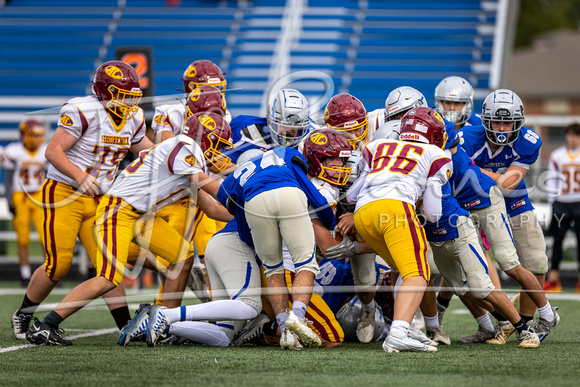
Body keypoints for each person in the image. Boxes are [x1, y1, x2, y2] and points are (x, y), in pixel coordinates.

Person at [25, 111, 234, 346]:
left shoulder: (188, 157)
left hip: (139, 215)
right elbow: (216, 190)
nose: (219, 151)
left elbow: (213, 210)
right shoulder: (185, 146)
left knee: (182, 257)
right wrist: (244, 195)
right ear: (204, 137)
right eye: (218, 144)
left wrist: (245, 213)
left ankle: (163, 323)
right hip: (118, 211)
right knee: (108, 278)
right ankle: (46, 325)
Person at [11, 60, 152, 341]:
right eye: (121, 94)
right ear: (103, 91)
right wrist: (81, 176)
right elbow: (53, 151)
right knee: (59, 264)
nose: (128, 101)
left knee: (109, 265)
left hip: (101, 199)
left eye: (131, 95)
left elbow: (146, 151)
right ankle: (23, 316)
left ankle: (124, 325)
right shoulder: (82, 110)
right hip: (65, 193)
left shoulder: (134, 117)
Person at [341, 106, 451, 353]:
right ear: (433, 133)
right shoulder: (435, 153)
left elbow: (351, 195)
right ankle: (399, 332)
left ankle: (406, 326)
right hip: (396, 210)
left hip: (363, 214)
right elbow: (433, 214)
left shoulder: (377, 146)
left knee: (402, 268)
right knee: (418, 273)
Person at [459, 89, 560, 342]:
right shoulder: (467, 138)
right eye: (497, 121)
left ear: (519, 122)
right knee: (467, 270)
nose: (502, 127)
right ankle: (495, 323)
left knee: (535, 261)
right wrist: (490, 176)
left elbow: (508, 186)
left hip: (515, 202)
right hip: (474, 204)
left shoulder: (527, 141)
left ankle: (527, 323)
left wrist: (475, 169)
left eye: (508, 122)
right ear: (486, 120)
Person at [3, 119, 47, 287]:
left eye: (39, 135)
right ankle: (25, 273)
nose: (37, 139)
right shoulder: (13, 151)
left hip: (38, 196)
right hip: (20, 196)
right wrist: (9, 200)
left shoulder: (45, 151)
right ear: (23, 135)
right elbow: (8, 178)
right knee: (22, 238)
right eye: (33, 135)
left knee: (46, 237)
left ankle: (49, 273)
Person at [545, 122, 580, 293]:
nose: (573, 139)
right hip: (562, 203)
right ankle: (553, 279)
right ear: (567, 136)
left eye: (576, 135)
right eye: (571, 135)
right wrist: (553, 200)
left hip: (579, 202)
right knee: (557, 241)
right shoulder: (557, 155)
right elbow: (551, 179)